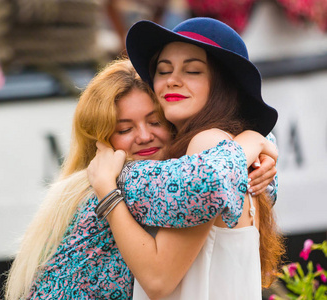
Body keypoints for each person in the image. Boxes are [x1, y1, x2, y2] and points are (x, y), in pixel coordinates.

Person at [3, 59, 277, 300]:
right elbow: (208, 183)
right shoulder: (131, 178)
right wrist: (254, 140)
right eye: (125, 128)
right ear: (101, 141)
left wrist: (262, 150)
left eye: (155, 122)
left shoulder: (168, 173)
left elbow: (248, 190)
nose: (144, 136)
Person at [87, 17, 284, 300]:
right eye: (163, 70)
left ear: (223, 84)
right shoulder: (227, 148)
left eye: (192, 70)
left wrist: (106, 188)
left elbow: (158, 278)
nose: (172, 81)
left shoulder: (208, 145)